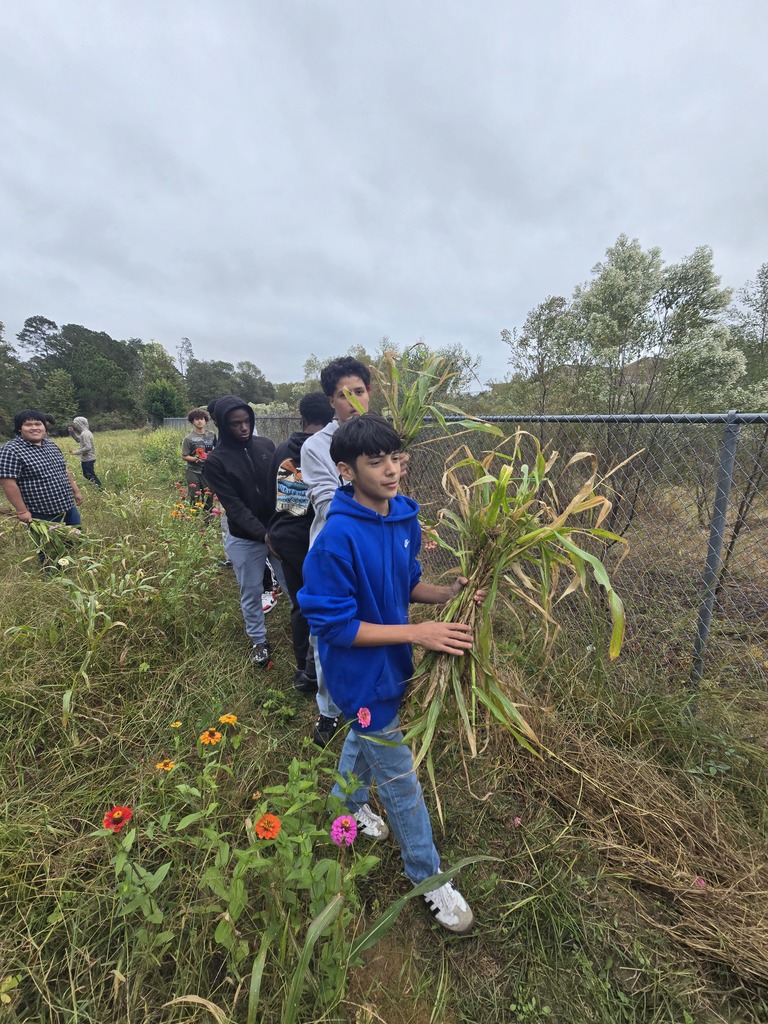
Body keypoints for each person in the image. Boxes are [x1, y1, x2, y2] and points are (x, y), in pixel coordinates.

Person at [298, 414, 483, 934]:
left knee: (366, 734)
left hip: (393, 667)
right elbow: (333, 625)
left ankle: (348, 804)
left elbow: (407, 583)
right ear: (346, 471)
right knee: (400, 780)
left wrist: (449, 595)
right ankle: (429, 878)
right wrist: (417, 634)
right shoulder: (334, 539)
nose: (390, 470)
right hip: (359, 673)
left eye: (395, 457)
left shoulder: (404, 517)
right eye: (374, 461)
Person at [301, 356, 372, 746]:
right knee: (328, 634)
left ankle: (367, 701)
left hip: (375, 554)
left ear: (370, 393)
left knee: (373, 625)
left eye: (359, 392)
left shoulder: (382, 436)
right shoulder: (317, 447)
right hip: (333, 555)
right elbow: (328, 504)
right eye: (344, 395)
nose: (353, 401)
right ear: (331, 401)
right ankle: (328, 712)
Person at [266, 391, 334, 696]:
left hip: (287, 539)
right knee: (325, 604)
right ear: (332, 414)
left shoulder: (284, 449)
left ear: (302, 416)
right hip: (320, 540)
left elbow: (279, 500)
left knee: (301, 604)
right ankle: (317, 671)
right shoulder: (334, 449)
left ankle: (303, 672)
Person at [202, 396, 276, 668]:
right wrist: (264, 536)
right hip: (245, 537)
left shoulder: (266, 446)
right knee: (251, 588)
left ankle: (303, 631)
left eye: (247, 421)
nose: (244, 428)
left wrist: (280, 529)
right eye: (236, 424)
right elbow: (235, 507)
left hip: (276, 530)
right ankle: (258, 640)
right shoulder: (216, 462)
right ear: (223, 425)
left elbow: (281, 488)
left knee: (293, 584)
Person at [0, 409, 84, 526]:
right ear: (20, 428)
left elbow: (63, 470)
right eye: (28, 425)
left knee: (76, 539)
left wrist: (76, 491)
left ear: (44, 427)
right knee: (51, 544)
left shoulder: (51, 445)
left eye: (38, 424)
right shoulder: (10, 450)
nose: (34, 428)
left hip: (68, 506)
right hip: (42, 513)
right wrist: (22, 511)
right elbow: (7, 482)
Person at [181, 408, 216, 507]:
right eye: (196, 419)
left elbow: (217, 449)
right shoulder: (188, 438)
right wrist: (197, 459)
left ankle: (208, 521)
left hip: (208, 472)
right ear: (192, 421)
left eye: (202, 419)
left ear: (205, 420)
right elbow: (184, 456)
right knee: (194, 498)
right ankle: (193, 520)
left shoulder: (212, 435)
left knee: (208, 498)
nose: (199, 421)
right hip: (193, 472)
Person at [68, 416, 102, 488]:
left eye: (76, 424)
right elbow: (78, 440)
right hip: (87, 458)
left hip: (88, 458)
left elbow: (87, 447)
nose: (76, 426)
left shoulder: (85, 434)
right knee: (87, 474)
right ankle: (97, 486)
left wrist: (76, 452)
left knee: (89, 474)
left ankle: (99, 487)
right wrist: (72, 433)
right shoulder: (85, 433)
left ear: (80, 424)